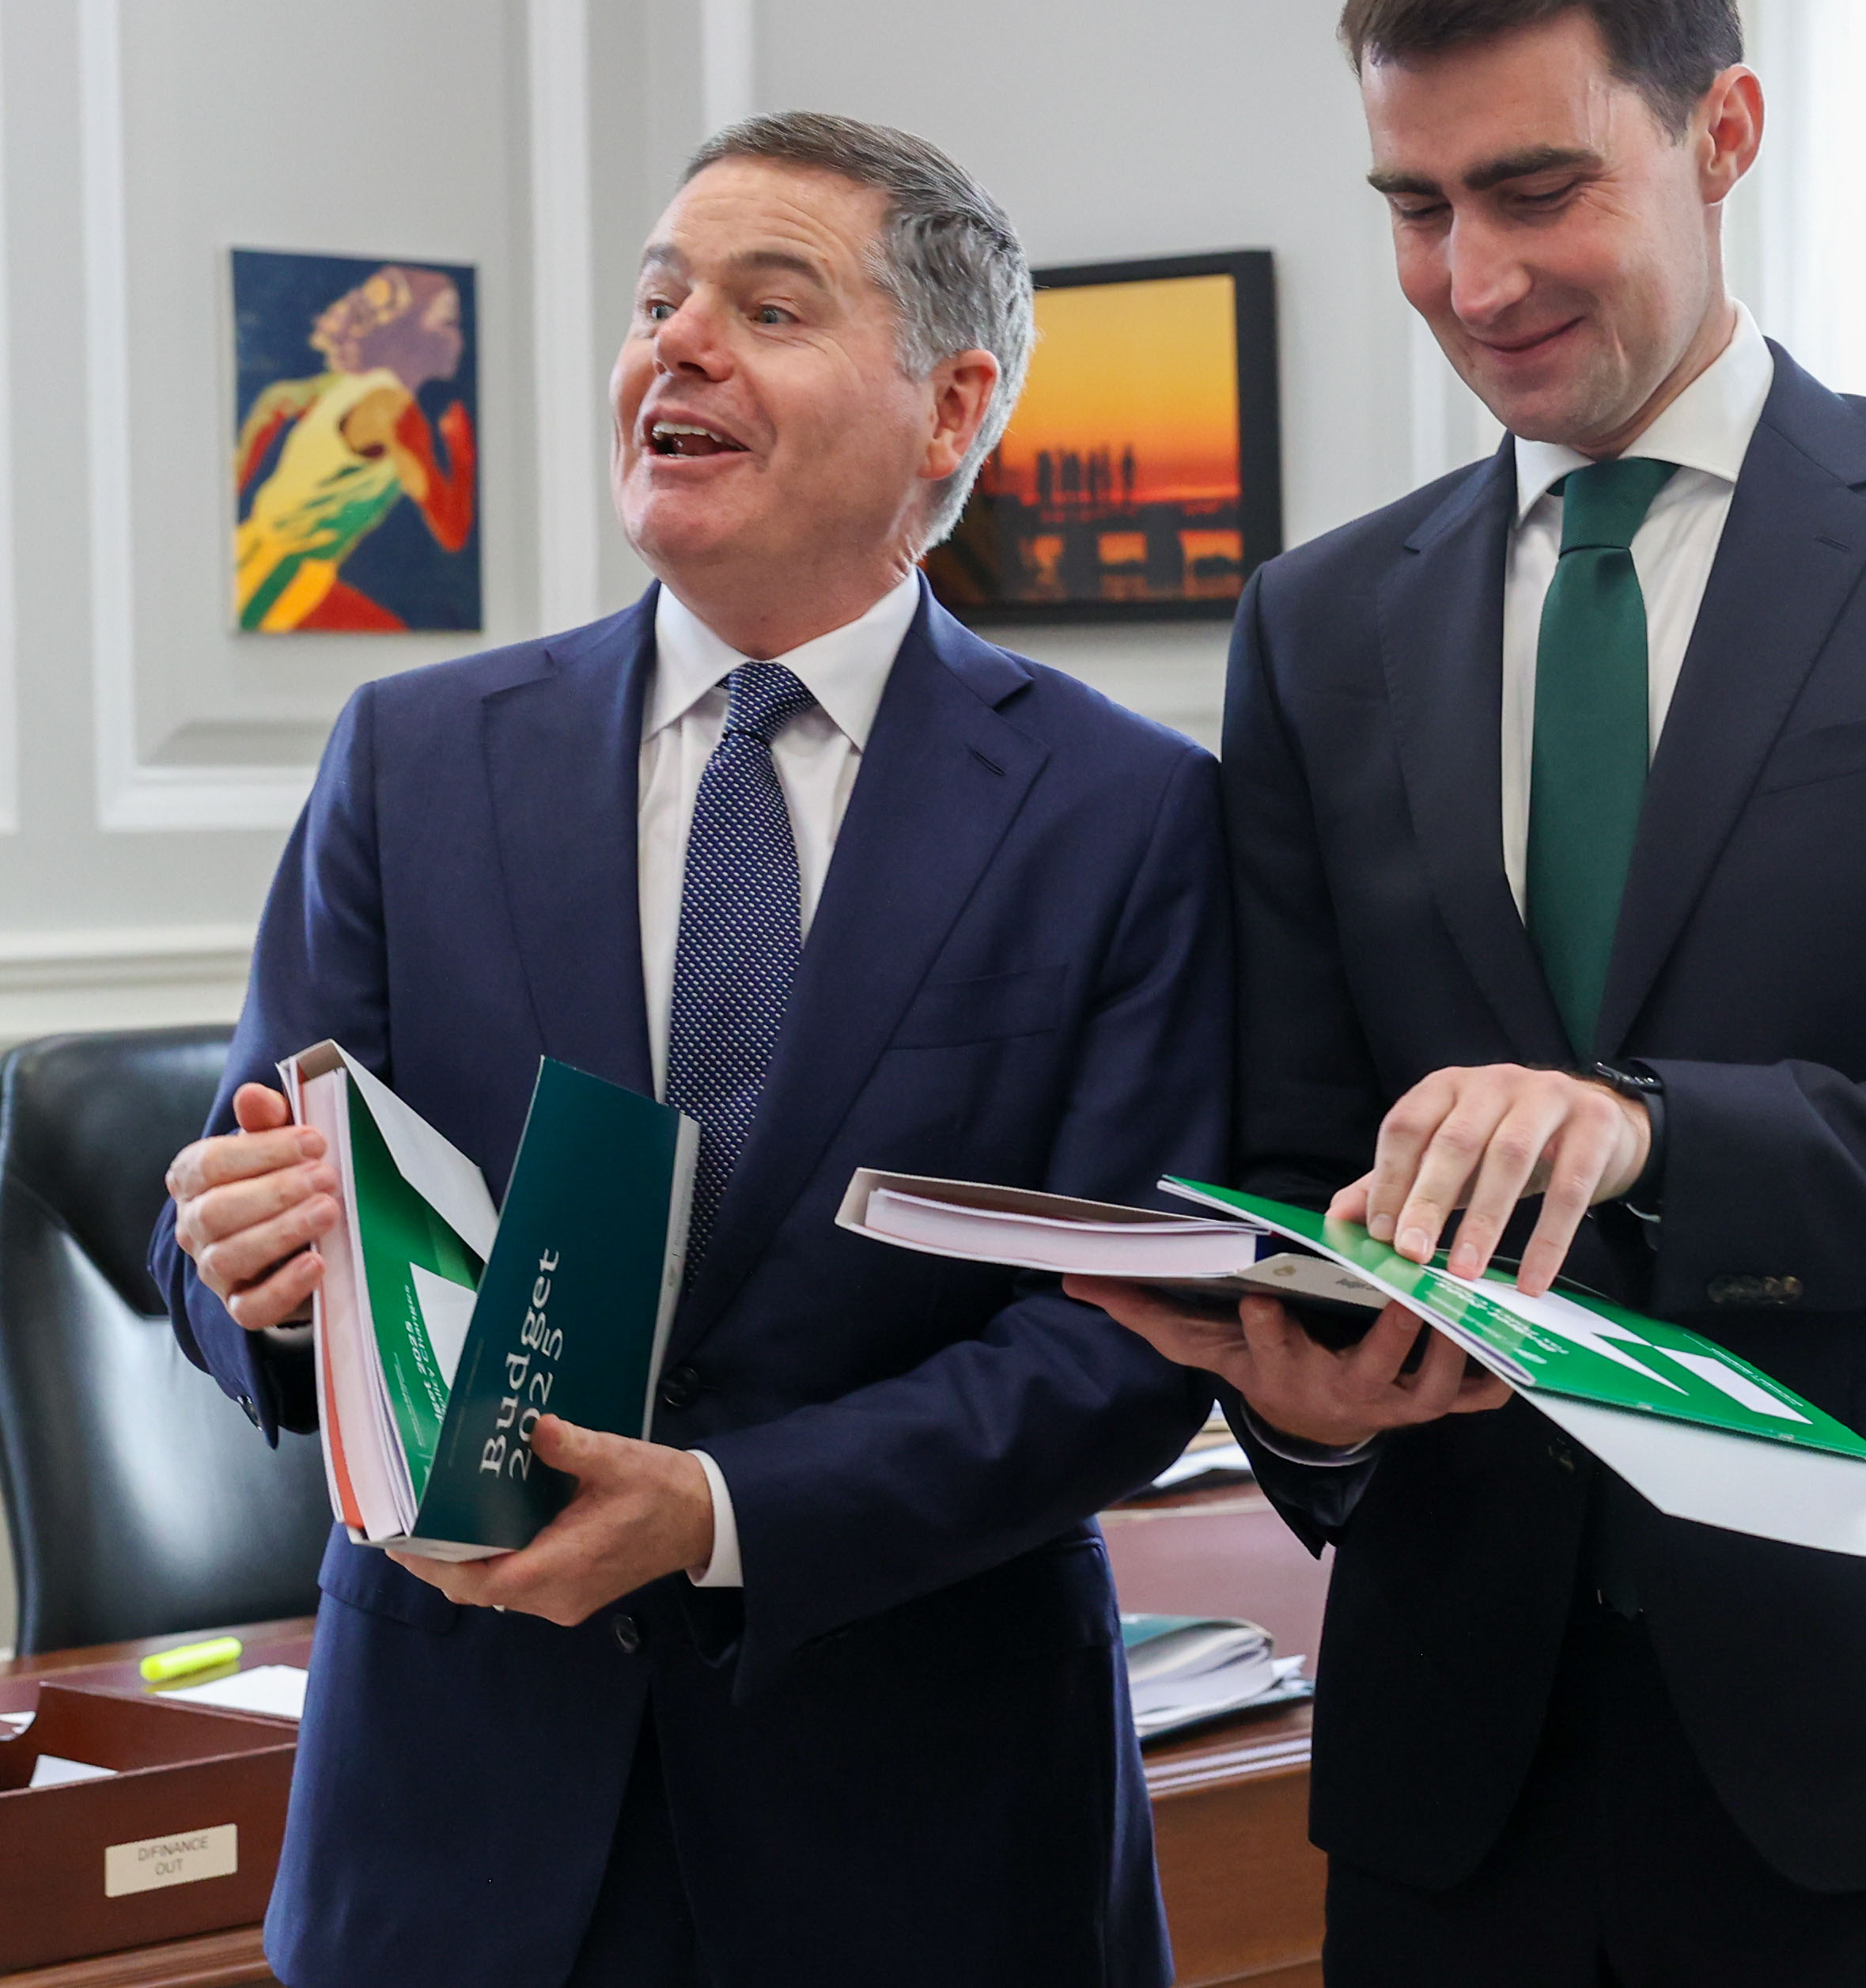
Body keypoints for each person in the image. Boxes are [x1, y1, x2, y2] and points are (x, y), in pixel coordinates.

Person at [1076, 0, 1866, 1984]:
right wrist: (1301, 1394)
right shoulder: (1316, 626)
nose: (1470, 278)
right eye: (1414, 207)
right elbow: (1300, 1155)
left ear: (1721, 132)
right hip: (1457, 1771)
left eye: (1534, 190)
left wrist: (1645, 1131)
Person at [157, 112, 1227, 1988]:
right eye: (656, 301)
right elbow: (249, 1215)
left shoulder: (1125, 810)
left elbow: (1123, 1334)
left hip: (920, 1835)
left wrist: (724, 1514)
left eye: (768, 306)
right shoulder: (414, 760)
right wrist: (235, 1257)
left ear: (949, 404)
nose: (678, 345)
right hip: (459, 1831)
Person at [233, 261, 479, 631]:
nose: (458, 339)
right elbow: (452, 531)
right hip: (280, 580)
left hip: (252, 555)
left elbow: (275, 401)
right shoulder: (393, 410)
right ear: (409, 332)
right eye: (448, 323)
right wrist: (462, 452)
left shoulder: (344, 384)